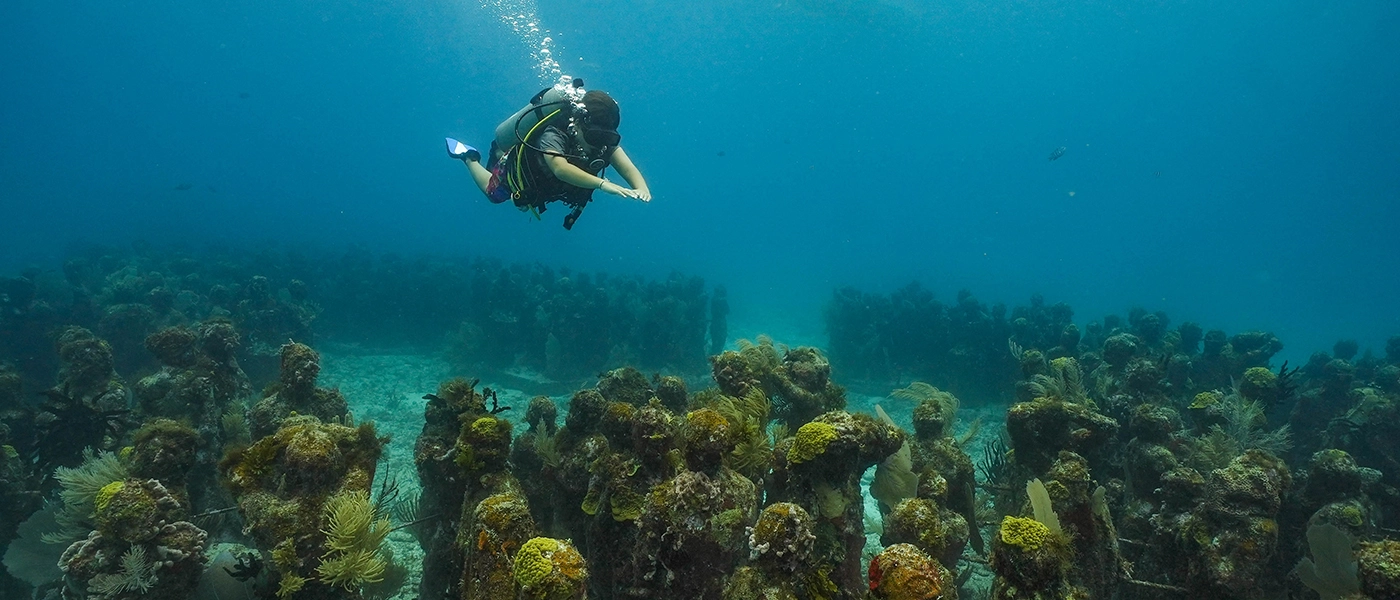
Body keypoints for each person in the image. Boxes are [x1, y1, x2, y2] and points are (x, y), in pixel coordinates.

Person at [448, 78, 650, 229]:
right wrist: (604, 184)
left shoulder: (605, 142)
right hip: (516, 167)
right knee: (494, 193)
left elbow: (629, 168)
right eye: (594, 136)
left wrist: (641, 188)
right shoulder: (555, 133)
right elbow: (559, 168)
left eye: (606, 137)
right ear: (577, 122)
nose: (598, 144)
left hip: (544, 185)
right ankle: (469, 156)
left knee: (523, 203)